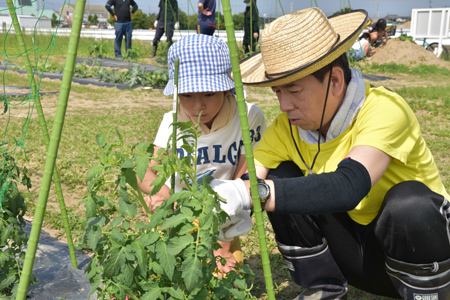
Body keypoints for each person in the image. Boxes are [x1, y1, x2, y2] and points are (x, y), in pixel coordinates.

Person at [210, 8, 450, 300]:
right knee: (280, 175)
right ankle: (324, 288)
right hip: (360, 258)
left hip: (419, 255)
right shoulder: (288, 128)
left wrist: (255, 194)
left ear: (335, 80)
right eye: (277, 92)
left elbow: (350, 185)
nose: (284, 105)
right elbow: (252, 176)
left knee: (409, 204)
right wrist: (226, 201)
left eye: (294, 90)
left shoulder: (385, 110)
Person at [137, 34, 267, 276]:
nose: (198, 106)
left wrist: (223, 246)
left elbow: (244, 184)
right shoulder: (172, 121)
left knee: (224, 274)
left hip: (223, 212)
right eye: (186, 95)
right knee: (166, 272)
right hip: (178, 211)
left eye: (209, 94)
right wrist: (161, 195)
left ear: (227, 87)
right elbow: (145, 170)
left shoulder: (248, 117)